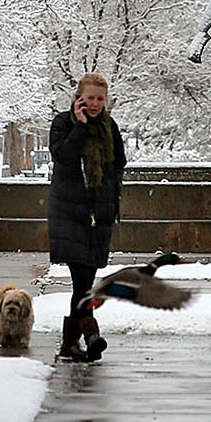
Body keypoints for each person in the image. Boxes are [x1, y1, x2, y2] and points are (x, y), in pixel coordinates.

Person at [47, 72, 126, 362]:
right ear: (78, 98)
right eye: (90, 98)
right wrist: (80, 127)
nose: (94, 104)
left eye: (100, 99)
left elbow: (119, 162)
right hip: (69, 214)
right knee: (81, 281)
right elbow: (63, 157)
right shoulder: (63, 123)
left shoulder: (109, 126)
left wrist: (112, 193)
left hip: (98, 215)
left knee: (84, 282)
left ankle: (69, 345)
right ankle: (91, 334)